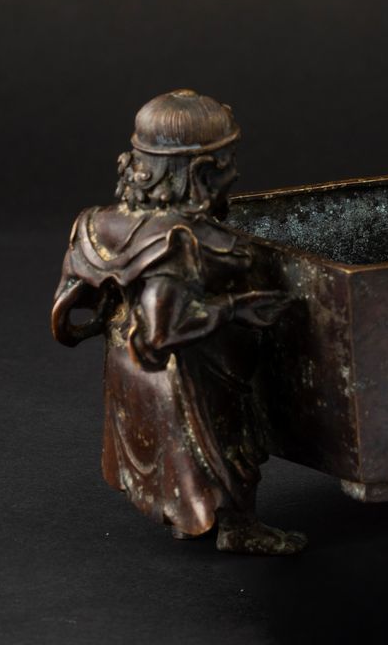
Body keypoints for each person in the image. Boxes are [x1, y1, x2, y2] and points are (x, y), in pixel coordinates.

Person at [51, 89, 307, 554]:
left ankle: (193, 520)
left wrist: (108, 317)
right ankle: (238, 527)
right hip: (188, 373)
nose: (236, 173)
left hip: (129, 370)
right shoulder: (177, 242)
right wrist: (236, 308)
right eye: (228, 163)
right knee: (225, 447)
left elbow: (65, 315)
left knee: (182, 454)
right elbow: (162, 332)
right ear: (201, 171)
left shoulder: (96, 225)